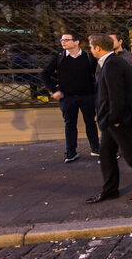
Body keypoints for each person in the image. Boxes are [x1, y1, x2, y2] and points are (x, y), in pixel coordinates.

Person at [85, 34, 132, 204]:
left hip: (118, 119)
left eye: (90, 46)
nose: (90, 50)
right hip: (111, 119)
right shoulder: (111, 62)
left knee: (130, 154)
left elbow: (116, 94)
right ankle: (110, 189)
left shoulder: (113, 64)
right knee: (106, 154)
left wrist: (115, 118)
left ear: (97, 48)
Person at [40, 32, 100, 163]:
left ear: (76, 42)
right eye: (62, 40)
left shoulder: (88, 57)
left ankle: (95, 148)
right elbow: (44, 74)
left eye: (67, 40)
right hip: (67, 97)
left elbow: (98, 75)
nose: (63, 42)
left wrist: (97, 92)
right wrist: (54, 90)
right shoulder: (59, 58)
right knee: (69, 124)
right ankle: (71, 152)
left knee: (90, 122)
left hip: (87, 96)